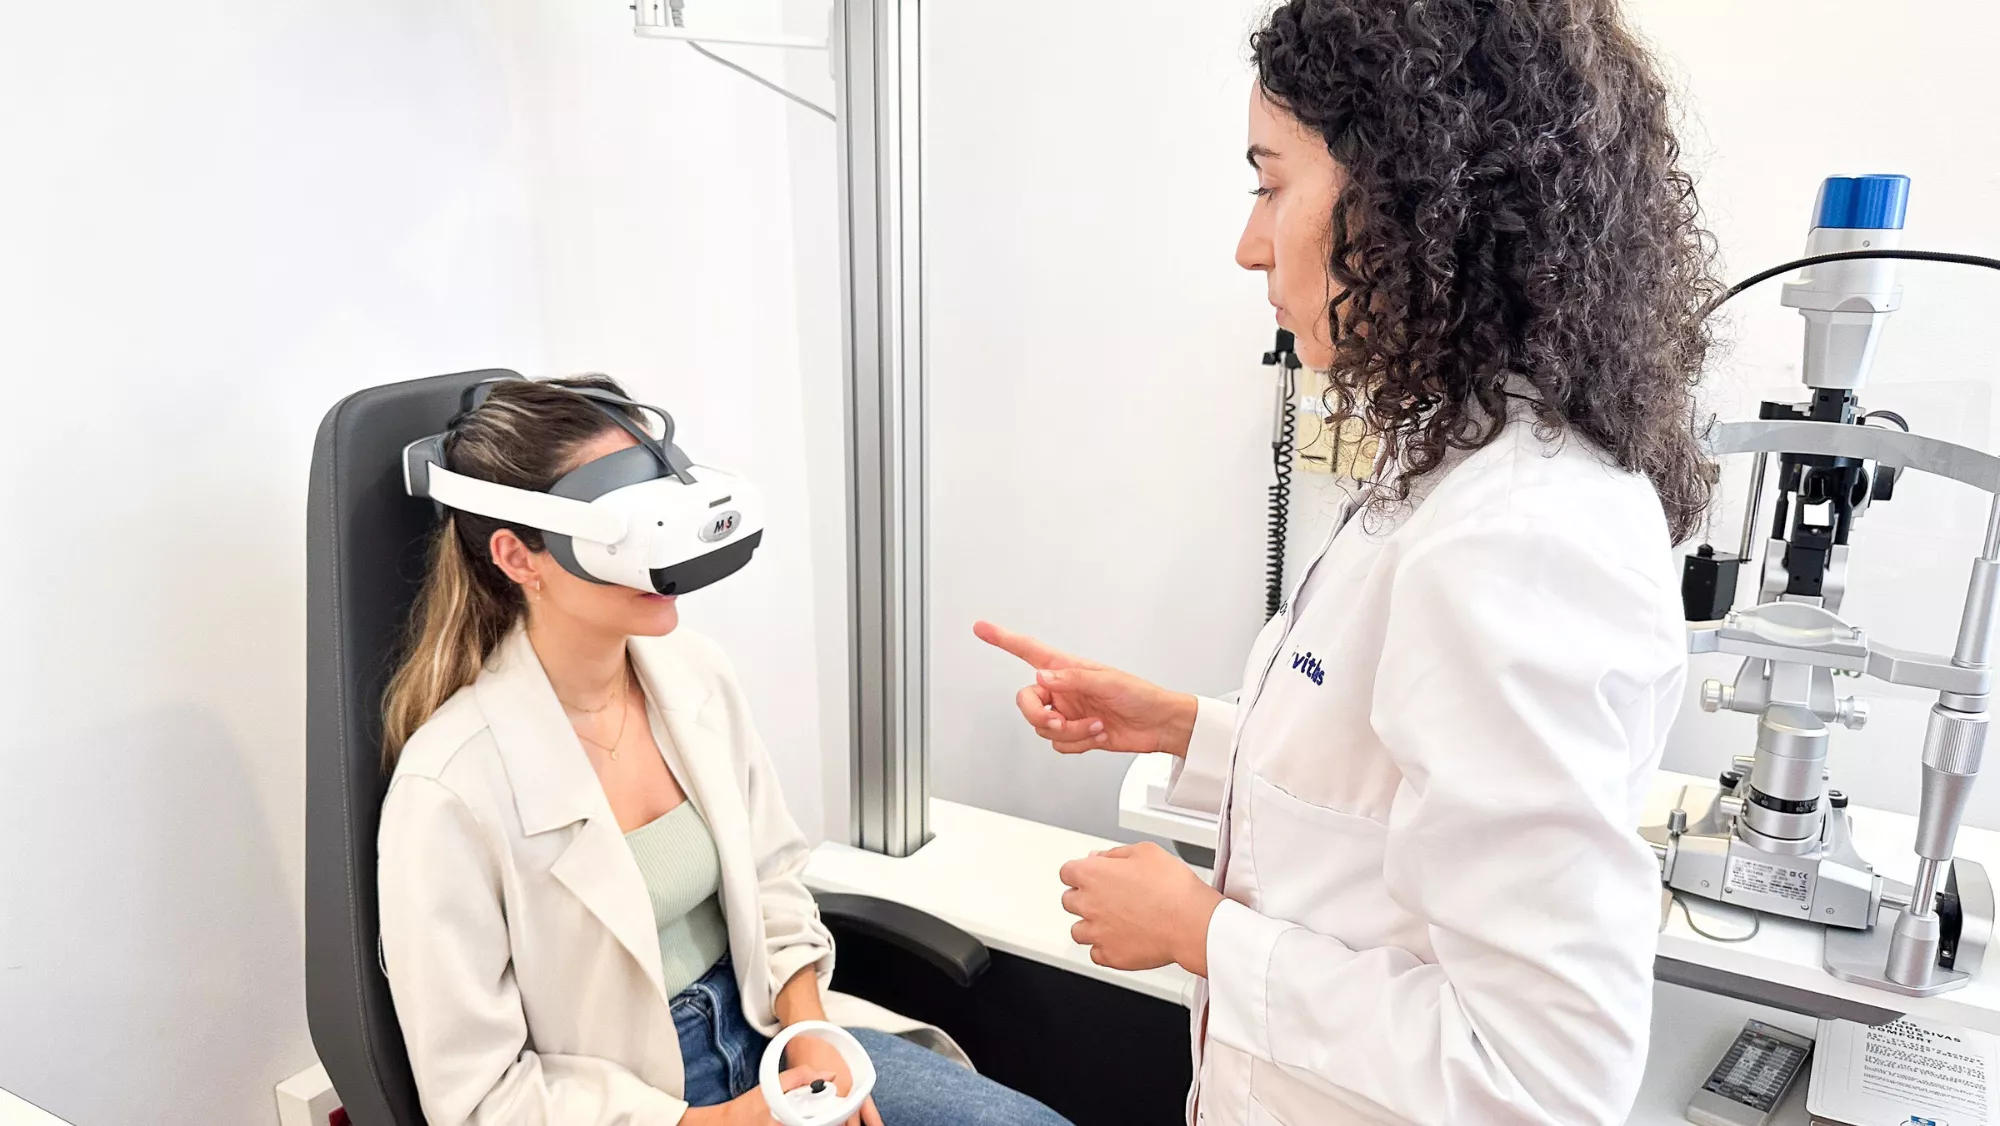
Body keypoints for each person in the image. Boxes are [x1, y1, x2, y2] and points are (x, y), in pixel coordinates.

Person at [979, 1, 1719, 1123]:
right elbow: (1391, 790)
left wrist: (1202, 934)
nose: (1246, 242)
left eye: (1270, 183)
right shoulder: (1457, 461)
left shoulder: (1515, 537)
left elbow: (1544, 1079)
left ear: (1413, 194)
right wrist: (1185, 724)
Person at [376, 376, 1070, 1126]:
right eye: (630, 529)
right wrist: (720, 1122)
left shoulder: (694, 674)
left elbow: (772, 878)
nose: (671, 551)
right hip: (631, 1103)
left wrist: (811, 1029)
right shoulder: (448, 788)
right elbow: (479, 1098)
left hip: (770, 1026)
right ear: (519, 557)